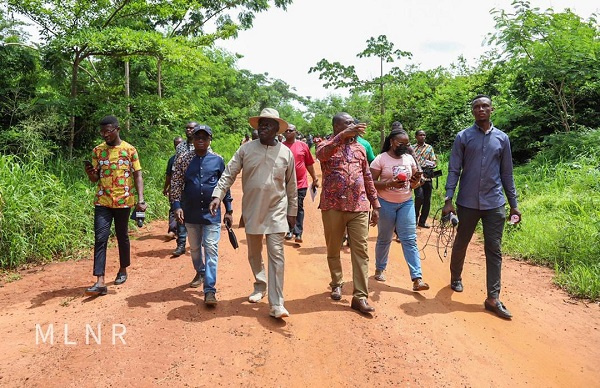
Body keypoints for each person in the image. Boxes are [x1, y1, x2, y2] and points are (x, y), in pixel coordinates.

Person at [210, 108, 297, 319]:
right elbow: (229, 173)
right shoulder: (246, 150)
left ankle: (277, 304)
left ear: (277, 129)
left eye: (268, 124)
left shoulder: (286, 153)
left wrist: (292, 210)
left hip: (276, 210)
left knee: (277, 255)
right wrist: (217, 195)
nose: (263, 127)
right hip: (252, 209)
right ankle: (260, 285)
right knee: (254, 252)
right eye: (261, 124)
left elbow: (291, 185)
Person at [443, 94, 521, 320]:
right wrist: (449, 199)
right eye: (476, 106)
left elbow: (507, 173)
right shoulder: (463, 137)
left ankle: (493, 298)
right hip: (467, 202)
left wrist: (514, 205)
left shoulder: (502, 139)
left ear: (492, 109)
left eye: (484, 106)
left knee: (494, 249)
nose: (480, 109)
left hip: (495, 202)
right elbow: (454, 169)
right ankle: (456, 277)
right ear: (472, 111)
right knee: (462, 242)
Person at [316, 112, 380, 314]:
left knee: (360, 251)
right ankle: (336, 282)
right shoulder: (325, 145)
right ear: (336, 127)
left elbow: (368, 176)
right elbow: (321, 155)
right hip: (333, 206)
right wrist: (341, 137)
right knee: (333, 248)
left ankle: (360, 296)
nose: (353, 125)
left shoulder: (361, 148)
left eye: (354, 122)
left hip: (359, 207)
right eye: (347, 123)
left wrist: (375, 204)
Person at [83, 115, 147, 296]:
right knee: (100, 238)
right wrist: (90, 173)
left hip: (124, 201)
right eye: (102, 132)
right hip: (102, 201)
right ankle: (100, 281)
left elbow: (137, 175)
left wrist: (140, 199)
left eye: (108, 131)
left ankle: (123, 269)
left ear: (117, 129)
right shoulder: (98, 151)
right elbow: (95, 179)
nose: (105, 135)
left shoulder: (130, 150)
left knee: (122, 236)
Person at [170, 124, 233, 305]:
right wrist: (176, 206)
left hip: (212, 214)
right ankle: (201, 270)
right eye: (197, 137)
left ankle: (209, 290)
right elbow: (176, 183)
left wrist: (228, 209)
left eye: (204, 138)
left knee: (211, 248)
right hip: (190, 213)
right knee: (196, 249)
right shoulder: (183, 159)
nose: (200, 140)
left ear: (209, 140)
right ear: (193, 139)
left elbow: (224, 186)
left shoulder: (217, 160)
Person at [370, 128, 430, 291]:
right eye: (400, 143)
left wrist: (417, 180)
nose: (404, 146)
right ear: (391, 142)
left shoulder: (409, 158)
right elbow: (370, 182)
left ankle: (417, 278)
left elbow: (414, 182)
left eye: (407, 143)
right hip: (386, 203)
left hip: (406, 203)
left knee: (409, 239)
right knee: (385, 238)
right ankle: (380, 268)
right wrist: (389, 184)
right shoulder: (380, 159)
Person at [282, 124, 319, 243]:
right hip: (285, 184)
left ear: (295, 132)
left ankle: (298, 232)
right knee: (286, 206)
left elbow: (309, 164)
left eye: (290, 130)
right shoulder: (280, 147)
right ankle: (289, 230)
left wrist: (314, 178)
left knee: (298, 207)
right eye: (286, 130)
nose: (288, 132)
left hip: (300, 183)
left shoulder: (303, 146)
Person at [413, 130, 437, 228]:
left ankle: (422, 221)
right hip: (417, 176)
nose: (422, 136)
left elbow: (433, 161)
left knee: (427, 200)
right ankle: (414, 220)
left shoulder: (429, 148)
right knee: (419, 197)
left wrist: (433, 165)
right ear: (416, 137)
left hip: (427, 175)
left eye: (424, 135)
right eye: (420, 135)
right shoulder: (412, 148)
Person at [163, 136, 184, 240]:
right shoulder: (172, 159)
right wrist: (166, 188)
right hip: (174, 189)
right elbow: (169, 176)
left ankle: (183, 233)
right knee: (173, 209)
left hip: (186, 189)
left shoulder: (189, 157)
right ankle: (172, 230)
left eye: (179, 144)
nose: (178, 146)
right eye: (176, 144)